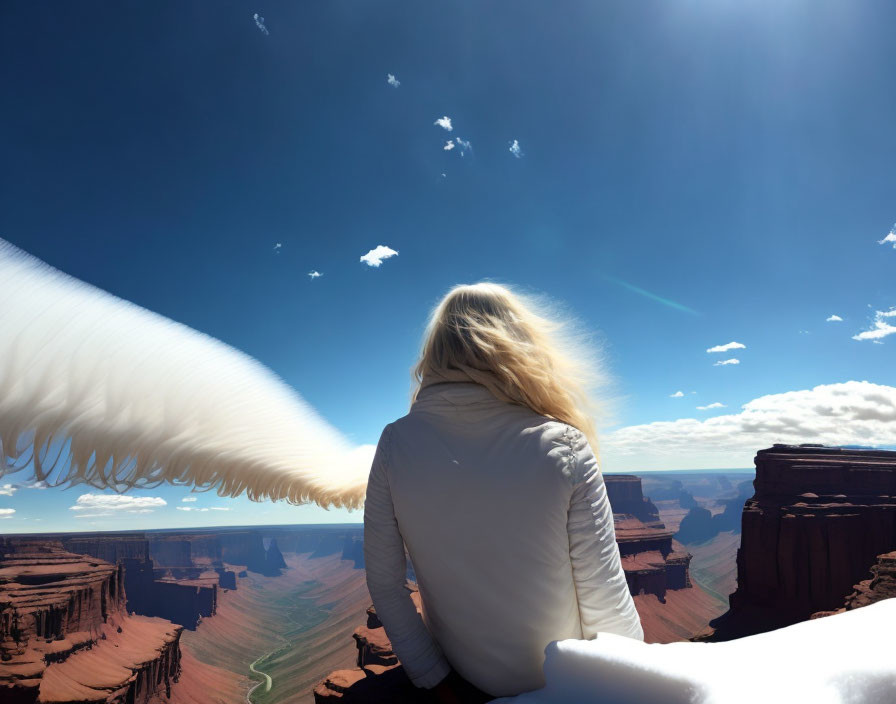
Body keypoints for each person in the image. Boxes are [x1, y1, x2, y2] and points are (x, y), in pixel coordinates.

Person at [363, 282, 643, 702]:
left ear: (437, 351)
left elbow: (386, 585)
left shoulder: (394, 444)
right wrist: (633, 686)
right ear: (517, 342)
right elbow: (603, 594)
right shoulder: (563, 444)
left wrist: (434, 679)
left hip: (463, 677)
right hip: (560, 687)